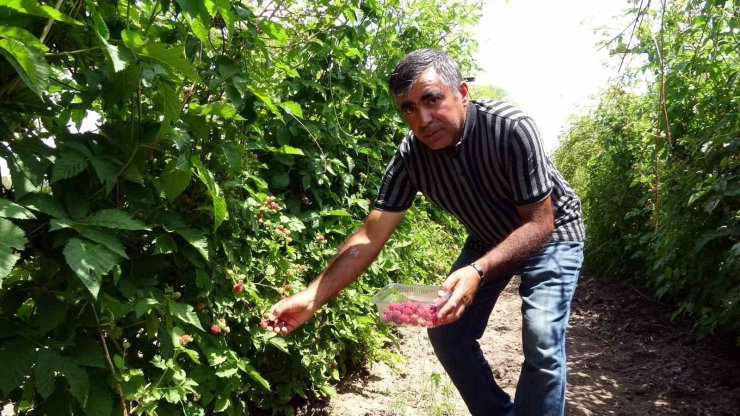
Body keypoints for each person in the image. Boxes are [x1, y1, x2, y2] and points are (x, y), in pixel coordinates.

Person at [263, 49, 585, 416]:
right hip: (487, 237)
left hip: (552, 234)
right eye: (409, 108)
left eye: (432, 99)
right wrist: (311, 297)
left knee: (542, 336)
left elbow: (539, 223)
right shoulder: (411, 157)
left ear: (461, 93)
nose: (423, 119)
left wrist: (477, 271)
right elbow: (370, 236)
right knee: (447, 333)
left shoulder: (510, 128)